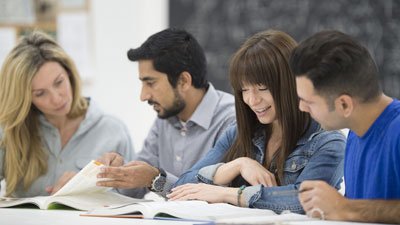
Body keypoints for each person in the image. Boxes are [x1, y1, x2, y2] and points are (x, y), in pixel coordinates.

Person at [167, 30, 346, 214]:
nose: (252, 100)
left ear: (290, 84)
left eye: (262, 88)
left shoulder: (328, 142)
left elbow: (303, 200)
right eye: (244, 89)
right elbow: (182, 187)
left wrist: (230, 194)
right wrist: (239, 164)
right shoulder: (237, 133)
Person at [96, 28, 236, 197]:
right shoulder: (166, 118)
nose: (143, 96)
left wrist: (156, 179)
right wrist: (118, 171)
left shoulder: (231, 120)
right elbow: (135, 187)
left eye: (151, 83)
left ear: (183, 81)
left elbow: (220, 196)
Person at [0, 31, 134, 197]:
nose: (56, 99)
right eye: (40, 93)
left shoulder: (113, 130)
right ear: (25, 99)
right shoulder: (8, 132)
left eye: (59, 82)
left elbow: (132, 201)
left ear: (69, 74)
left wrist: (87, 187)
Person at [290, 30, 400, 223]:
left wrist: (346, 207)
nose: (301, 107)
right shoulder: (355, 132)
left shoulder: (396, 132)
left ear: (344, 105)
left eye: (309, 102)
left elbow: (352, 209)